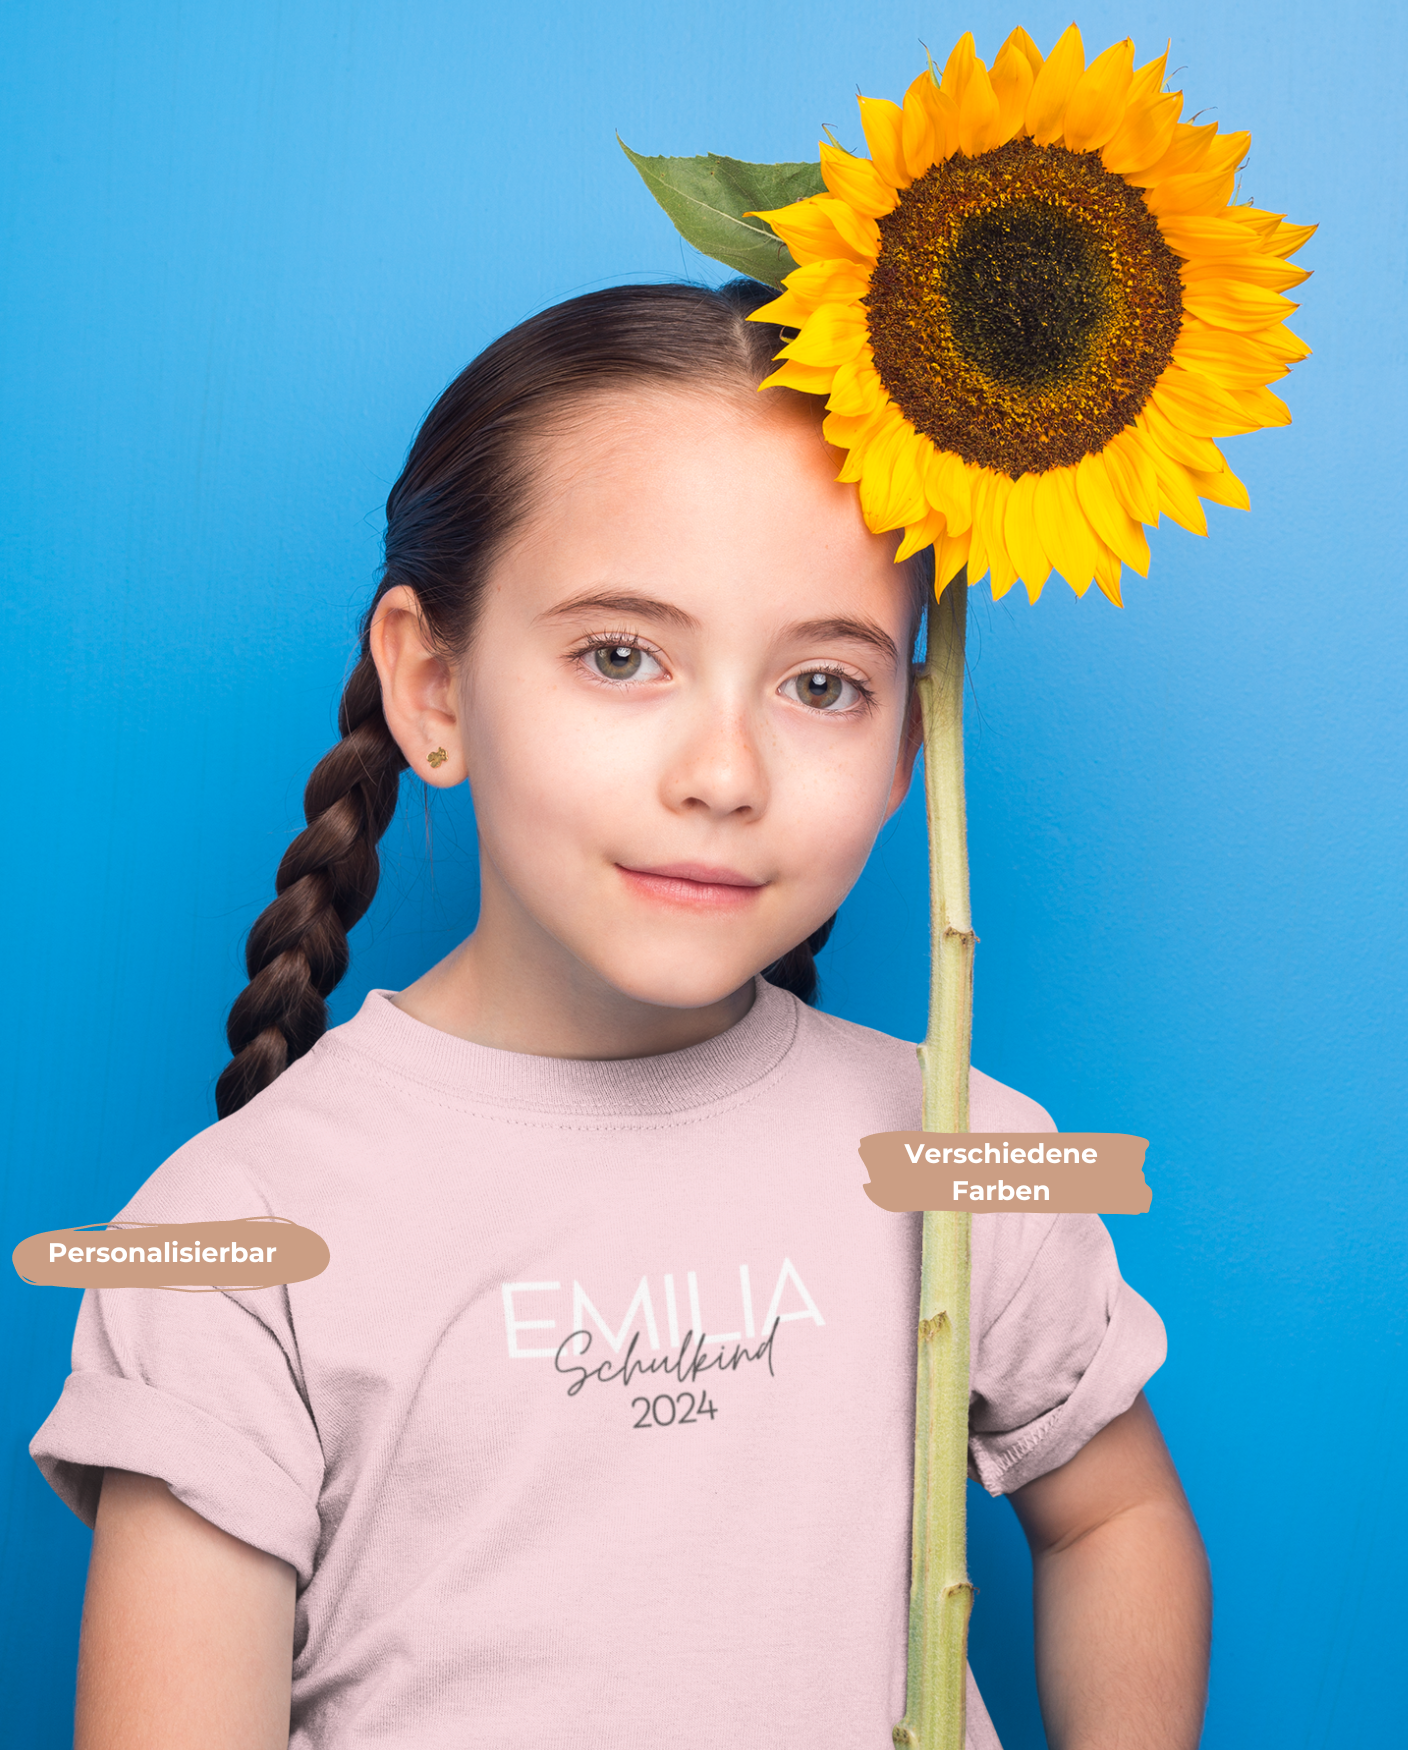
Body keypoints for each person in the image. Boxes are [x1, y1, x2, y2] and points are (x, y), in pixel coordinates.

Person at [31, 279, 1210, 1750]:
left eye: (824, 682)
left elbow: (1113, 1519)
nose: (724, 771)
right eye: (622, 655)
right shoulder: (228, 1242)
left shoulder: (958, 1148)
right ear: (435, 683)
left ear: (913, 742)